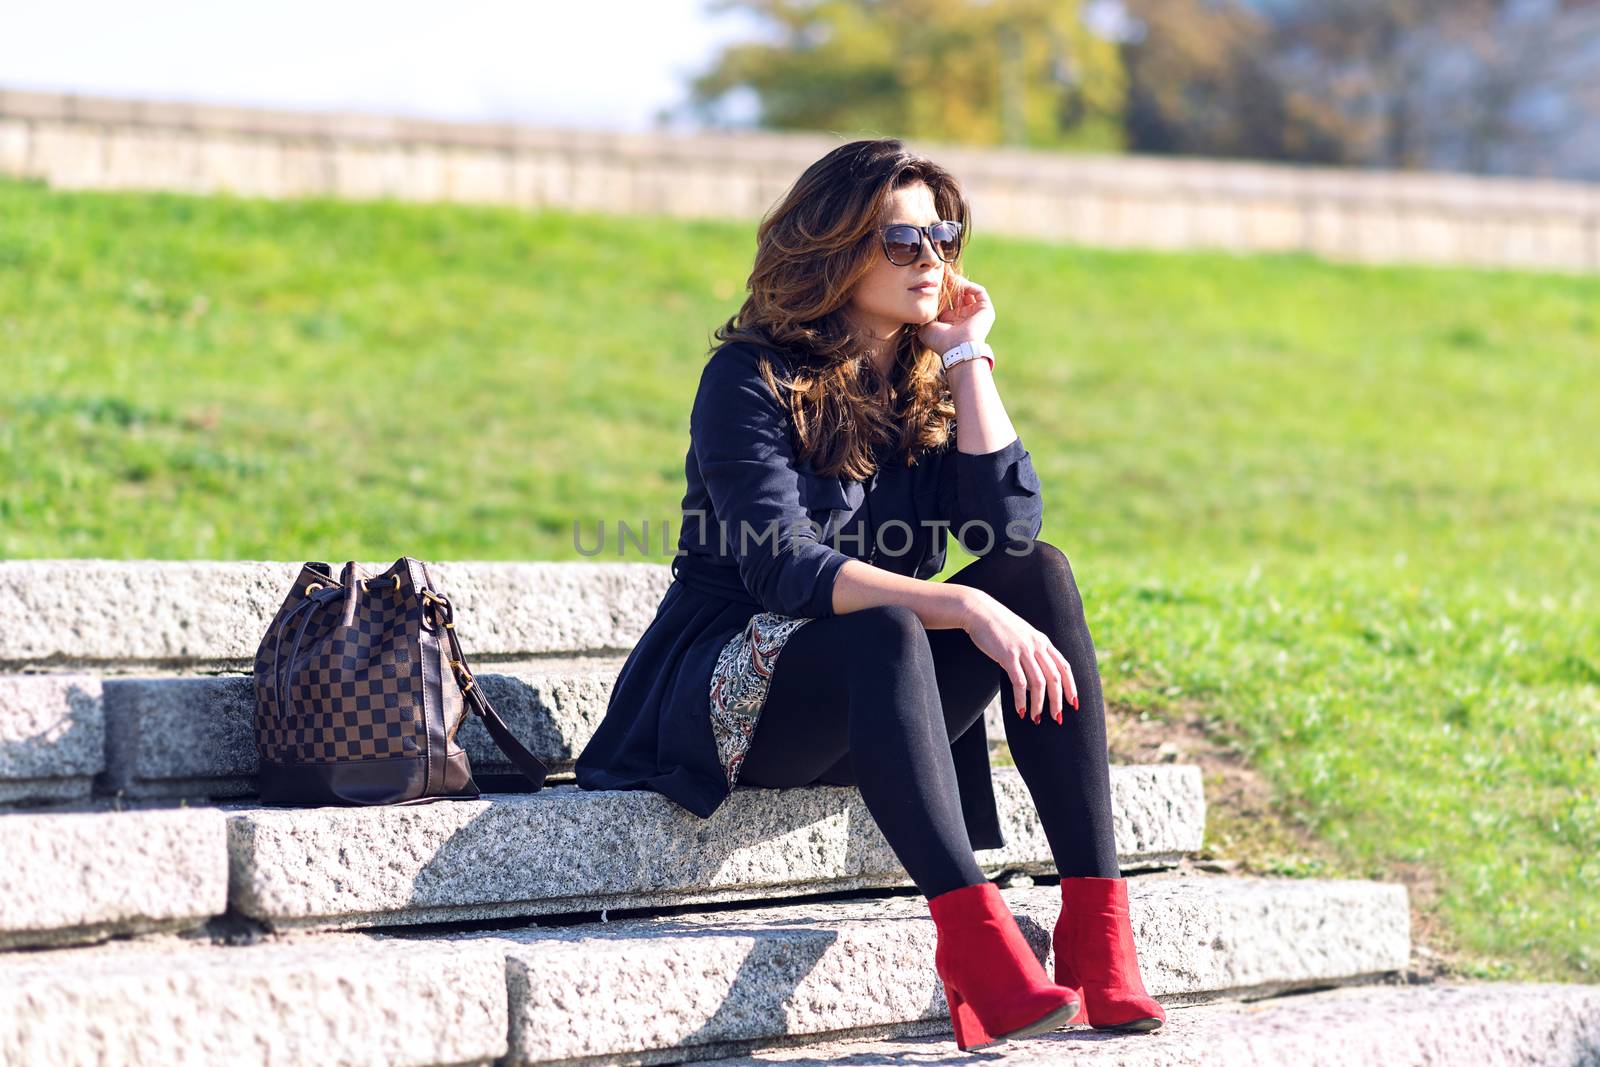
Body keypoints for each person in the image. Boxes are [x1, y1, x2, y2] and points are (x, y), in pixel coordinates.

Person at [574, 138, 1163, 1050]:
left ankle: (1097, 931)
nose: (931, 258)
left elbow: (1003, 532)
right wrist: (962, 606)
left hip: (884, 701)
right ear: (835, 246)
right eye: (902, 241)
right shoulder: (747, 379)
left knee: (1037, 571)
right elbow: (784, 569)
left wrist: (969, 355)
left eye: (944, 236)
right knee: (891, 621)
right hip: (742, 691)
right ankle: (973, 942)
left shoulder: (924, 384)